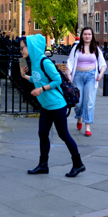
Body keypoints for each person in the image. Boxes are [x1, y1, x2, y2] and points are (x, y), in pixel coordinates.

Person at [19, 34, 86, 177]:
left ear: (31, 46)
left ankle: (78, 164)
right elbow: (38, 80)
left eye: (22, 47)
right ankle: (43, 165)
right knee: (43, 134)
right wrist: (25, 76)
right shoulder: (35, 63)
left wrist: (41, 90)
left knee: (64, 135)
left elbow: (57, 80)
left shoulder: (44, 62)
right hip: (46, 106)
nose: (21, 51)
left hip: (56, 105)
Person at [65, 27, 106, 136]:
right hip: (78, 76)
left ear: (92, 36)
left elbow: (102, 63)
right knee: (78, 102)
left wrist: (100, 74)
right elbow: (70, 62)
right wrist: (69, 74)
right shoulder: (76, 48)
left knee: (89, 101)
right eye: (85, 34)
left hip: (91, 77)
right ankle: (79, 117)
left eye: (89, 34)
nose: (87, 36)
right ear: (82, 36)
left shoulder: (96, 49)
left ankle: (88, 126)